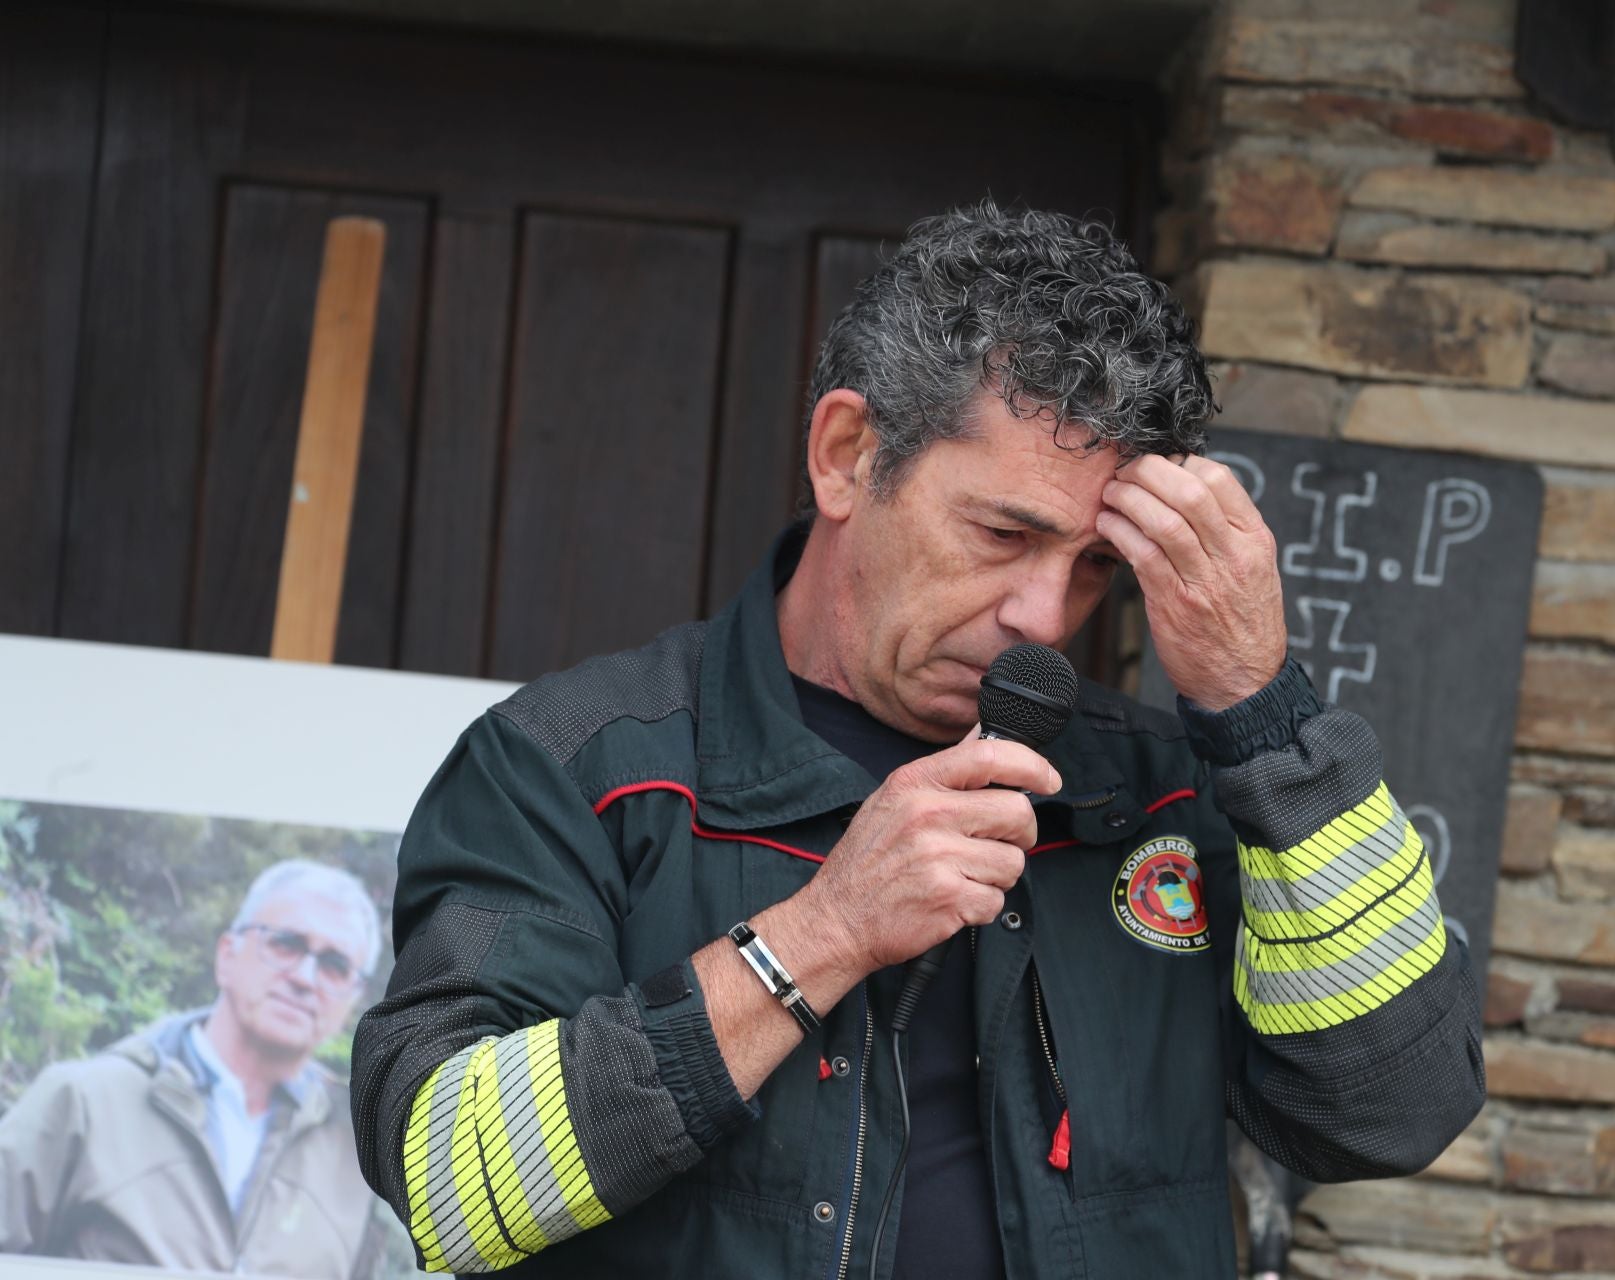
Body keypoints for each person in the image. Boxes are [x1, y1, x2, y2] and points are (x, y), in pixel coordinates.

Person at [350, 202, 1486, 1279]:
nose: (1044, 617)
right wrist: (821, 934)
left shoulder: (1163, 794)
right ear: (846, 454)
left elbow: (1393, 1107)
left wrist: (1263, 712)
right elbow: (446, 1184)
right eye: (1003, 531)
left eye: (1096, 567)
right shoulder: (573, 763)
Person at [0, 858, 389, 1276]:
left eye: (335, 965)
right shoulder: (83, 1102)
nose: (306, 977)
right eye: (286, 944)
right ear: (227, 955)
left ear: (352, 999)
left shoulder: (358, 1153)